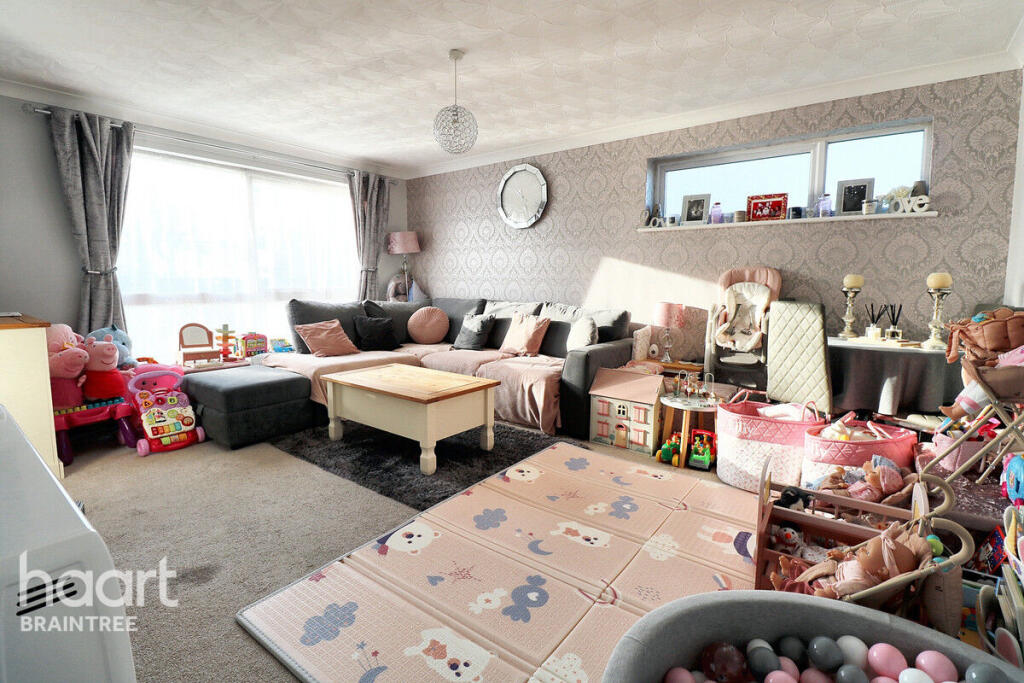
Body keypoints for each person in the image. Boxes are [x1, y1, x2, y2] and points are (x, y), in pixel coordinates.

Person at [939, 343, 1024, 420]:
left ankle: (957, 412)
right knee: (978, 381)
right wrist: (996, 361)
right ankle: (956, 405)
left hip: (1013, 379)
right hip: (1001, 371)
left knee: (989, 386)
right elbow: (1011, 355)